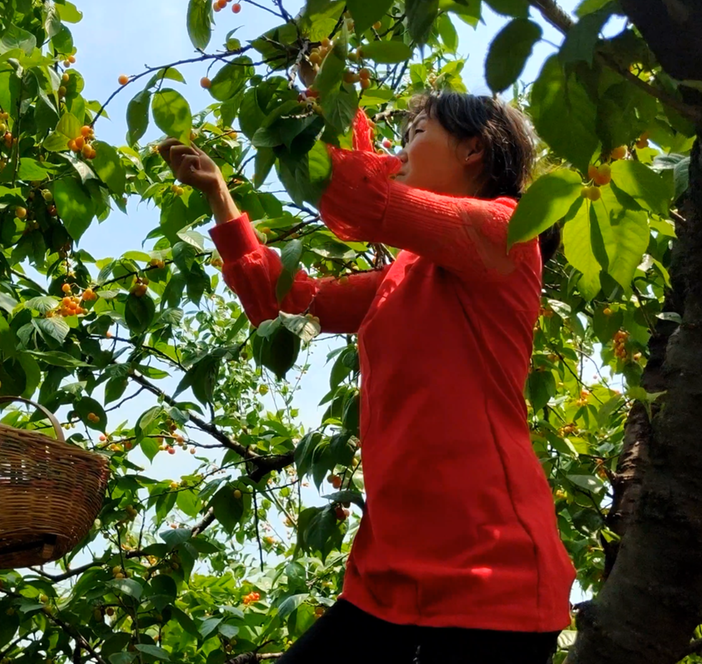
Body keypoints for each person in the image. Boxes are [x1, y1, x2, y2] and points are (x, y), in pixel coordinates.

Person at [158, 91, 575, 664]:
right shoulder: (403, 274)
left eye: (417, 133)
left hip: (490, 575)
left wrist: (327, 100)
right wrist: (221, 198)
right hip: (388, 579)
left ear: (474, 148)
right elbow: (286, 305)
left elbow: (362, 194)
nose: (400, 150)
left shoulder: (506, 232)